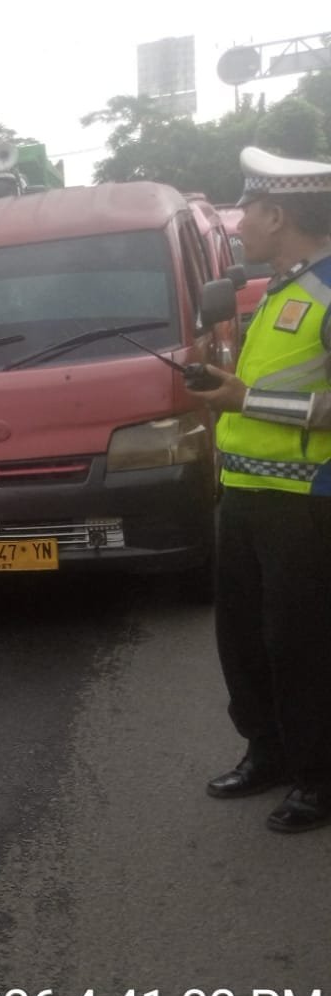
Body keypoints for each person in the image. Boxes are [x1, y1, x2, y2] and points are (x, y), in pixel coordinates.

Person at [187, 146, 331, 833]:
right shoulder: (282, 287)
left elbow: (277, 401)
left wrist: (246, 400)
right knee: (241, 639)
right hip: (245, 495)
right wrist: (224, 394)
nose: (238, 219)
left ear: (279, 214)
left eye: (247, 207)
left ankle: (318, 778)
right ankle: (268, 751)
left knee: (300, 644)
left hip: (307, 505)